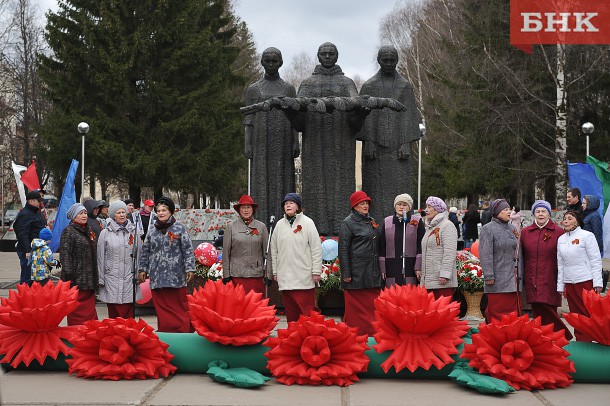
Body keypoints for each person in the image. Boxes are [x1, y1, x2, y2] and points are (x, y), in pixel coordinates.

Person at [296, 42, 361, 235]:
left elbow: (355, 105)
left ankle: (342, 228)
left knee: (341, 184)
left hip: (342, 143)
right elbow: (298, 113)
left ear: (337, 56)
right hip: (315, 143)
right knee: (315, 184)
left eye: (331, 53)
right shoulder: (308, 83)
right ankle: (317, 227)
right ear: (318, 55)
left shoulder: (346, 82)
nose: (327, 56)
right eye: (323, 53)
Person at [360, 46, 421, 220]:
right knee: (374, 189)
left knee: (400, 187)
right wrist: (368, 141)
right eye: (385, 60)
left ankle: (400, 224)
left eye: (392, 60)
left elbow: (409, 115)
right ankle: (375, 225)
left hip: (398, 149)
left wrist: (406, 142)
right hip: (375, 148)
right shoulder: (369, 86)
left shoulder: (404, 86)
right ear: (378, 60)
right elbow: (365, 115)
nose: (388, 63)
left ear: (397, 61)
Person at [244, 47, 299, 226]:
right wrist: (248, 144)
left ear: (281, 63)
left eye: (274, 61)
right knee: (261, 179)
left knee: (283, 177)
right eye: (267, 60)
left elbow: (294, 118)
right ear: (262, 62)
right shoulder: (254, 89)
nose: (271, 64)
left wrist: (295, 142)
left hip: (282, 139)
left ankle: (284, 222)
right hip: (261, 139)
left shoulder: (289, 89)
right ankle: (260, 222)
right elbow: (248, 119)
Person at [138, 197, 195, 332]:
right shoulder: (152, 229)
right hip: (158, 278)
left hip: (176, 277)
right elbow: (145, 250)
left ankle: (183, 332)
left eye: (164, 210)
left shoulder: (180, 227)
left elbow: (187, 249)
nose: (161, 213)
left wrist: (190, 268)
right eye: (158, 211)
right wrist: (142, 269)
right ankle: (166, 333)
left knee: (179, 308)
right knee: (162, 310)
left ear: (170, 211)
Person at [521, 200, 572, 339]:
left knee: (549, 309)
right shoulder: (525, 232)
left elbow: (565, 256)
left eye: (544, 211)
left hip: (551, 277)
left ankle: (559, 338)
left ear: (549, 214)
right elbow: (522, 256)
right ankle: (542, 341)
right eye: (538, 211)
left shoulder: (559, 232)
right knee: (537, 311)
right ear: (533, 214)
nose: (541, 214)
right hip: (531, 278)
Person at [270, 193, 322, 322]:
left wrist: (316, 271)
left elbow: (316, 248)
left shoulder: (308, 223)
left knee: (307, 315)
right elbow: (274, 250)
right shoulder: (279, 225)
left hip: (304, 278)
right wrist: (275, 272)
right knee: (292, 317)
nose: (288, 205)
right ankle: (293, 338)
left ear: (298, 206)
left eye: (291, 203)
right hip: (286, 279)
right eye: (286, 203)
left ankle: (310, 339)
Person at [339, 191, 383, 336]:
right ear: (354, 206)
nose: (365, 206)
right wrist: (346, 273)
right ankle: (357, 339)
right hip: (356, 276)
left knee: (372, 310)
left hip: (372, 274)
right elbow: (343, 249)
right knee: (357, 315)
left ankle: (372, 338)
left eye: (366, 203)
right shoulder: (348, 223)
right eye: (361, 203)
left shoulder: (370, 220)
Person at [557, 210, 602, 342]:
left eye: (570, 218)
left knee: (587, 313)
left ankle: (593, 341)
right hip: (570, 282)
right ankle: (581, 341)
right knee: (575, 314)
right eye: (565, 218)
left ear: (577, 220)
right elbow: (560, 264)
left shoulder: (587, 236)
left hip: (585, 280)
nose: (566, 221)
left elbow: (595, 259)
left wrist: (598, 283)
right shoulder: (561, 239)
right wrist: (560, 286)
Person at [479, 199, 522, 323]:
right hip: (498, 281)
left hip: (513, 281)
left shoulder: (513, 228)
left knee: (513, 316)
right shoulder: (488, 229)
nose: (509, 212)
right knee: (498, 315)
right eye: (505, 209)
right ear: (497, 212)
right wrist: (489, 276)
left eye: (509, 209)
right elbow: (485, 253)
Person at [97, 201, 142, 319]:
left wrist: (138, 274)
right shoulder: (105, 233)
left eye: (123, 212)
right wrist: (101, 278)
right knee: (114, 313)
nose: (122, 215)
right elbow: (101, 257)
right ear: (113, 215)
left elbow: (138, 254)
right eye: (118, 212)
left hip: (129, 277)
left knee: (128, 312)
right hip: (111, 278)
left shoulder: (134, 232)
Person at [60, 203, 99, 325]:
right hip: (76, 281)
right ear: (73, 216)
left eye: (85, 213)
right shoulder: (69, 231)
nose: (84, 216)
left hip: (89, 279)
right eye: (80, 213)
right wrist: (70, 276)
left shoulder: (88, 230)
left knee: (90, 314)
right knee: (78, 313)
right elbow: (65, 255)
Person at [222, 195, 268, 295]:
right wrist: (226, 275)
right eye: (243, 207)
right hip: (237, 275)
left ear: (253, 209)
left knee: (256, 306)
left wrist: (268, 275)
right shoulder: (231, 227)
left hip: (256, 275)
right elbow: (225, 253)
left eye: (248, 207)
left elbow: (267, 253)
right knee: (239, 307)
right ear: (239, 210)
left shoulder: (262, 227)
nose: (246, 210)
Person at [379, 193, 424, 287]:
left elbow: (421, 245)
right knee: (392, 294)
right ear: (395, 205)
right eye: (399, 204)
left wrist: (418, 266)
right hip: (392, 266)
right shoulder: (387, 221)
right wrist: (382, 268)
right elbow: (382, 246)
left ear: (409, 207)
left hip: (411, 266)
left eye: (405, 205)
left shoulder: (417, 221)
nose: (401, 207)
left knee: (409, 294)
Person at [418, 197, 458, 299]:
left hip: (441, 281)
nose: (426, 210)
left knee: (443, 312)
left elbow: (450, 252)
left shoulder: (447, 226)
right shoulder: (430, 227)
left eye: (429, 207)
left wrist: (445, 274)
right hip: (429, 280)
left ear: (437, 209)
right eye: (426, 207)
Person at [13, 191, 47, 284]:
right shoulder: (26, 214)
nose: (40, 203)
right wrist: (27, 250)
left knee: (37, 277)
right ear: (31, 201)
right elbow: (22, 233)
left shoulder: (37, 212)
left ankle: (33, 297)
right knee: (27, 276)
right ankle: (24, 296)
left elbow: (39, 227)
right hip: (29, 250)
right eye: (38, 201)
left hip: (38, 248)